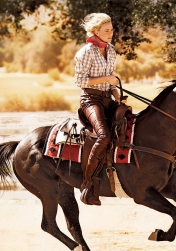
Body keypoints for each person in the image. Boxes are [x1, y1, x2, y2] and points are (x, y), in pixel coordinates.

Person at [74, 13, 124, 205]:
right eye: (106, 30)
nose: (110, 34)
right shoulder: (85, 52)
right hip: (90, 100)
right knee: (104, 136)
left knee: (129, 126)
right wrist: (107, 80)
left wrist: (118, 95)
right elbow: (80, 81)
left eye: (111, 30)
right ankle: (87, 185)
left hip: (107, 98)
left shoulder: (111, 50)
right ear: (95, 31)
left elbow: (112, 80)